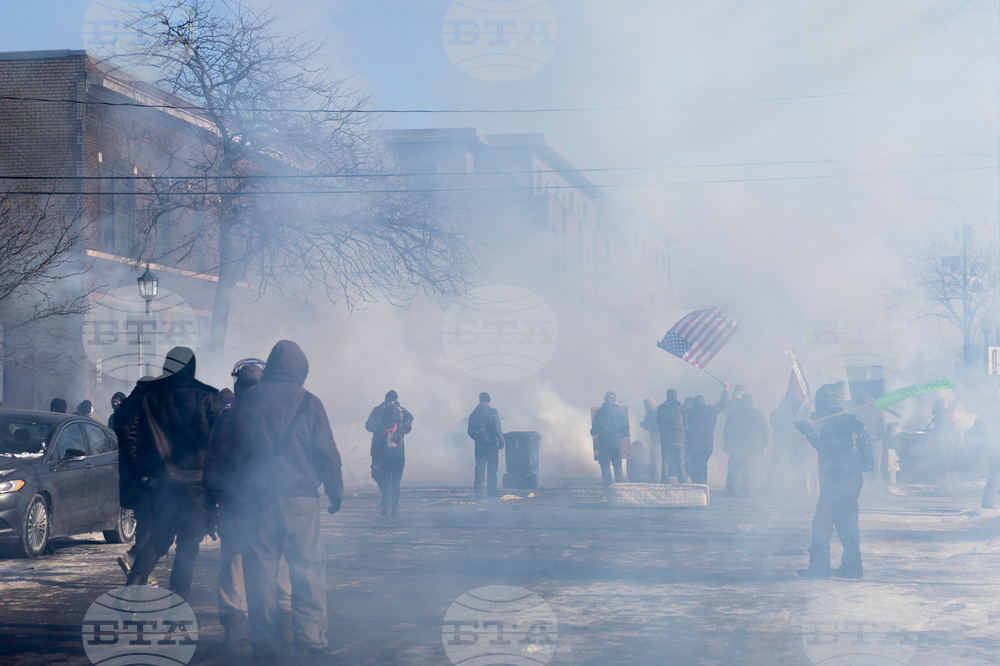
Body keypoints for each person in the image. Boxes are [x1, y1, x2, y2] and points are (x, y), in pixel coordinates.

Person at [229, 340, 343, 659]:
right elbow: (326, 454)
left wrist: (224, 494)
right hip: (300, 501)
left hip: (255, 500)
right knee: (308, 566)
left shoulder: (245, 402)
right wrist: (335, 491)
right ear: (299, 370)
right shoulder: (309, 401)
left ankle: (265, 639)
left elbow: (226, 451)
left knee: (260, 570)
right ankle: (311, 637)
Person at [121, 347, 223, 600]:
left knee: (158, 538)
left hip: (161, 484)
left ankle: (132, 584)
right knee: (188, 546)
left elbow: (127, 433)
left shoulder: (148, 396)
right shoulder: (208, 397)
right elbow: (220, 444)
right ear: (192, 366)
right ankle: (178, 605)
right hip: (197, 487)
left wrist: (141, 473)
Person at [204, 359, 293, 647]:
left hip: (234, 503)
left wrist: (210, 506)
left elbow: (213, 465)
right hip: (271, 501)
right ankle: (285, 622)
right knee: (276, 560)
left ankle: (234, 628)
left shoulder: (225, 418)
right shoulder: (280, 414)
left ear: (237, 385)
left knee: (233, 561)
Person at [795, 381, 873, 579]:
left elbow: (828, 451)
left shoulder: (832, 426)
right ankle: (853, 568)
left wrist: (808, 432)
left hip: (838, 480)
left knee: (821, 523)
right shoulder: (847, 421)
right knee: (847, 524)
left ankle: (819, 567)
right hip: (853, 480)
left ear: (825, 405)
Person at [113, 376, 156, 584]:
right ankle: (135, 556)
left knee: (144, 522)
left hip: (128, 477)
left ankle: (145, 571)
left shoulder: (122, 409)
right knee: (150, 524)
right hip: (145, 476)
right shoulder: (146, 408)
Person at [366, 390, 413, 516]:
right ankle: (393, 508)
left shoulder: (379, 413)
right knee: (393, 481)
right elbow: (409, 425)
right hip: (397, 453)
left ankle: (386, 504)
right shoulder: (401, 414)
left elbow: (368, 426)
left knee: (382, 478)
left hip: (380, 453)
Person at [722, 394, 769, 497]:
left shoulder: (733, 413)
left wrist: (727, 444)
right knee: (750, 470)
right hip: (753, 447)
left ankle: (734, 491)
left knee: (735, 468)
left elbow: (727, 431)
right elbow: (765, 431)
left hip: (736, 446)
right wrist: (764, 445)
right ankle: (749, 492)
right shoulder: (758, 414)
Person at [763, 397, 809, 494]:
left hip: (789, 443)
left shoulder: (794, 415)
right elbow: (773, 421)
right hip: (781, 442)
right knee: (777, 464)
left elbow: (797, 427)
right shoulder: (776, 413)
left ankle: (801, 488)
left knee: (791, 465)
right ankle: (768, 485)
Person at [685, 384, 729, 485]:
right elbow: (722, 404)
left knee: (694, 464)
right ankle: (703, 484)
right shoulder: (711, 410)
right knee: (703, 464)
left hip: (694, 443)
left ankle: (695, 484)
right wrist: (725, 390)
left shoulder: (689, 412)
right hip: (707, 443)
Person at [467, 392, 505, 498]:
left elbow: (469, 431)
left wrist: (477, 439)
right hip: (492, 445)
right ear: (489, 401)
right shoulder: (493, 412)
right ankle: (491, 490)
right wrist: (501, 441)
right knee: (492, 468)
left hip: (479, 446)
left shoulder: (474, 414)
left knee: (479, 467)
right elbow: (497, 428)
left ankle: (478, 491)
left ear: (479, 401)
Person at [591, 391, 629, 488]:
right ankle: (619, 486)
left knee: (605, 466)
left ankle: (607, 488)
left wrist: (592, 432)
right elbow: (625, 429)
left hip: (603, 443)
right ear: (615, 401)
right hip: (616, 443)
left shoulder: (599, 412)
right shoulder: (620, 412)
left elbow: (594, 429)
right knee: (617, 465)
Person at [656, 388, 687, 483]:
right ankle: (683, 482)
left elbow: (659, 425)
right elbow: (686, 425)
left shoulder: (661, 408)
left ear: (667, 396)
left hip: (666, 438)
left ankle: (664, 481)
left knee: (665, 461)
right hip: (679, 438)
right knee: (680, 462)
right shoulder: (681, 407)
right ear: (676, 396)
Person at [640, 398, 661, 482]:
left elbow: (649, 426)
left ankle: (656, 477)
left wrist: (643, 425)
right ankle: (657, 477)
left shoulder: (653, 413)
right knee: (656, 457)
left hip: (658, 439)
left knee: (655, 457)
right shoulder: (659, 411)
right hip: (657, 439)